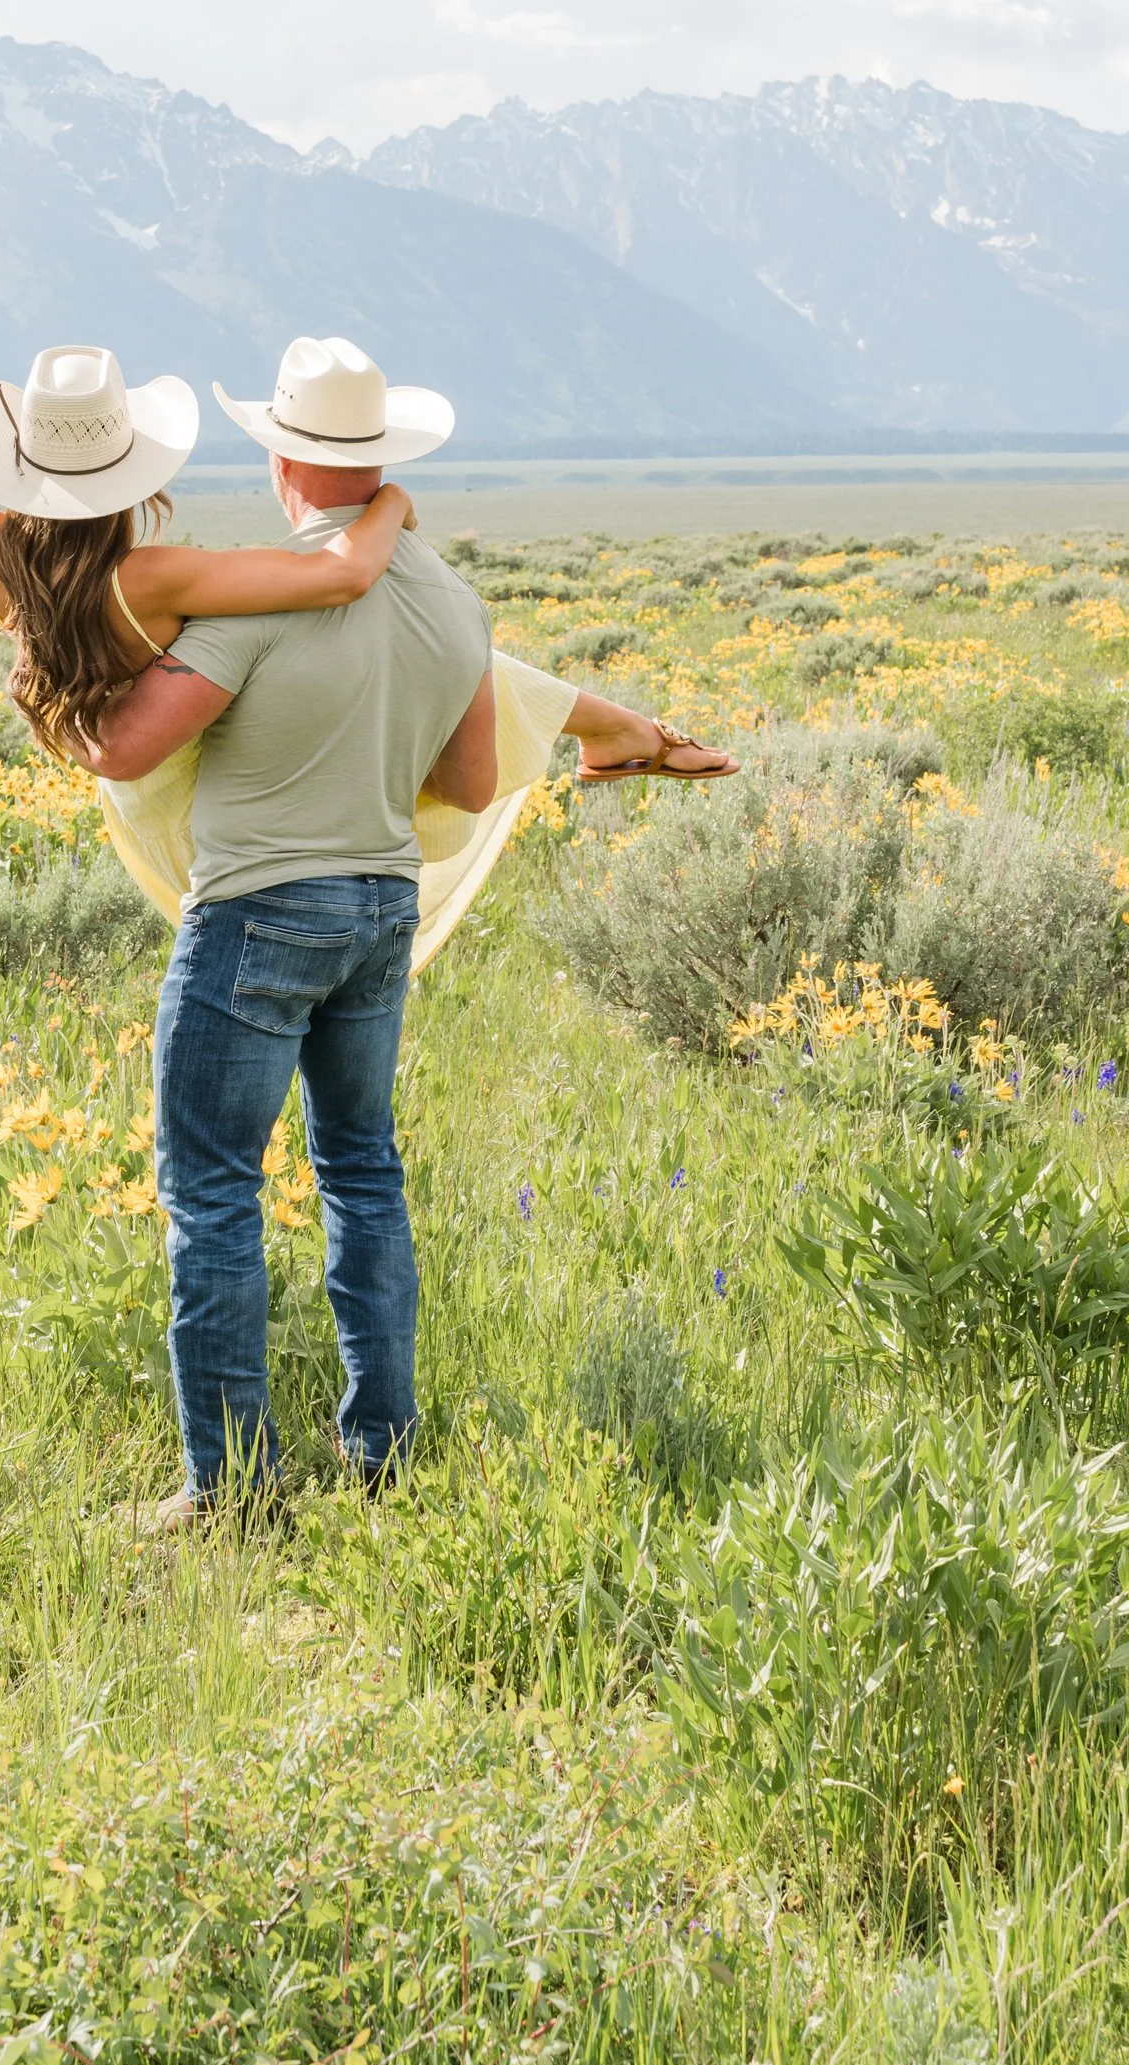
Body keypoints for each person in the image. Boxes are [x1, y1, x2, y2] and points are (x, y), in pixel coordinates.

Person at [82, 332, 737, 1529]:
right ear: (379, 458)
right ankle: (381, 1452)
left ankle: (231, 1488)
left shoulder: (259, 596)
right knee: (362, 1174)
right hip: (380, 910)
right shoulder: (450, 602)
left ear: (281, 457)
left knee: (213, 1194)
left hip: (255, 912)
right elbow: (472, 781)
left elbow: (129, 750)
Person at [0, 172, 416, 748]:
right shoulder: (155, 579)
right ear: (132, 478)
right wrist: (393, 502)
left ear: (23, 465)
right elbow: (346, 574)